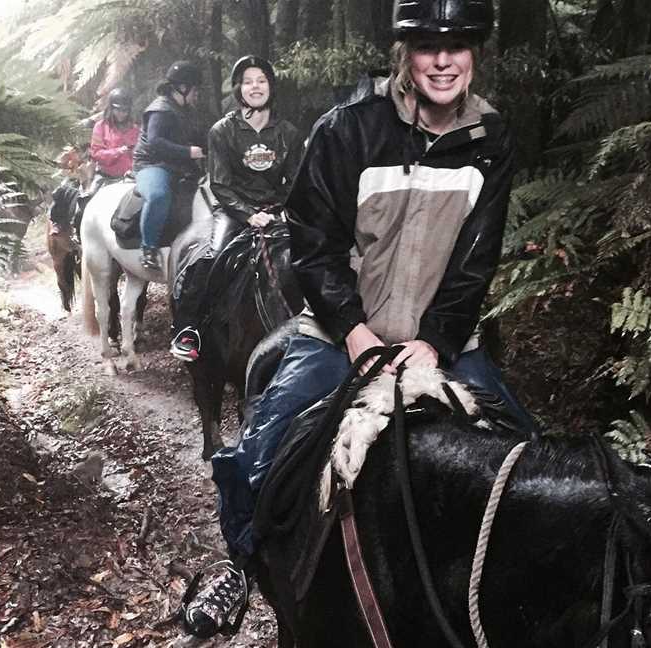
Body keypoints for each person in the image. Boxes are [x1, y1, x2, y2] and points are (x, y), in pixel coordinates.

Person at [183, 0, 536, 637]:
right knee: (260, 449)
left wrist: (436, 341)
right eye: (429, 45)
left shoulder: (492, 140)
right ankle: (237, 562)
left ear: (474, 53)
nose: (444, 59)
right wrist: (355, 331)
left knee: (529, 456)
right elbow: (313, 245)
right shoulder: (348, 129)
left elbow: (477, 257)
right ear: (405, 52)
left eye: (458, 45)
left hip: (445, 341)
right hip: (342, 331)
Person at [169, 55, 302, 361]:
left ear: (271, 86)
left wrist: (275, 208)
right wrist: (248, 214)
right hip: (232, 211)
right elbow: (220, 184)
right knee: (210, 255)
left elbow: (294, 181)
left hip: (275, 210)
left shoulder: (289, 132)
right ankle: (188, 328)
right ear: (238, 88)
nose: (255, 87)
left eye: (261, 80)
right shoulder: (221, 131)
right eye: (248, 81)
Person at [133, 60, 206, 271]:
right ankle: (149, 249)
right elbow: (156, 143)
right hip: (152, 164)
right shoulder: (160, 109)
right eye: (195, 89)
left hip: (180, 167)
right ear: (182, 88)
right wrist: (189, 152)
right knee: (158, 196)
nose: (196, 94)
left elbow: (202, 138)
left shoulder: (187, 111)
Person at [89, 87, 139, 186]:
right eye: (118, 110)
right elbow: (96, 153)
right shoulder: (100, 127)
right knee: (89, 195)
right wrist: (118, 151)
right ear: (111, 108)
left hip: (131, 177)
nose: (121, 114)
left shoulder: (136, 129)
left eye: (125, 111)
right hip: (106, 177)